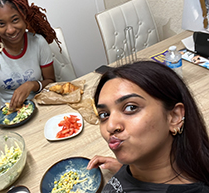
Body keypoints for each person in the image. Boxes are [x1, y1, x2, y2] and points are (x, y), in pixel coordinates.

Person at [87, 61, 209, 192]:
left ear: (174, 117)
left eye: (131, 107)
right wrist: (123, 169)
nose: (110, 126)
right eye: (104, 115)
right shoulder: (142, 164)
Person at [0, 0, 60, 109]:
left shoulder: (38, 42)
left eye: (15, 20)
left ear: (24, 17)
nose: (11, 30)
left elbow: (51, 81)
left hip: (41, 106)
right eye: (1, 24)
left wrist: (32, 85)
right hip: (10, 114)